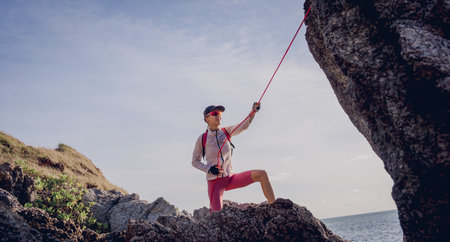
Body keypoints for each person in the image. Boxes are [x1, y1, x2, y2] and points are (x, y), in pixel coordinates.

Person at [192, 102, 275, 212]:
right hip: (215, 183)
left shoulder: (226, 131)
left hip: (230, 178)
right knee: (216, 216)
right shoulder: (202, 139)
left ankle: (275, 208)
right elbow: (194, 161)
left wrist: (253, 112)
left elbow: (243, 125)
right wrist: (209, 169)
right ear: (207, 118)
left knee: (262, 174)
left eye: (220, 113)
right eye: (215, 113)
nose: (219, 116)